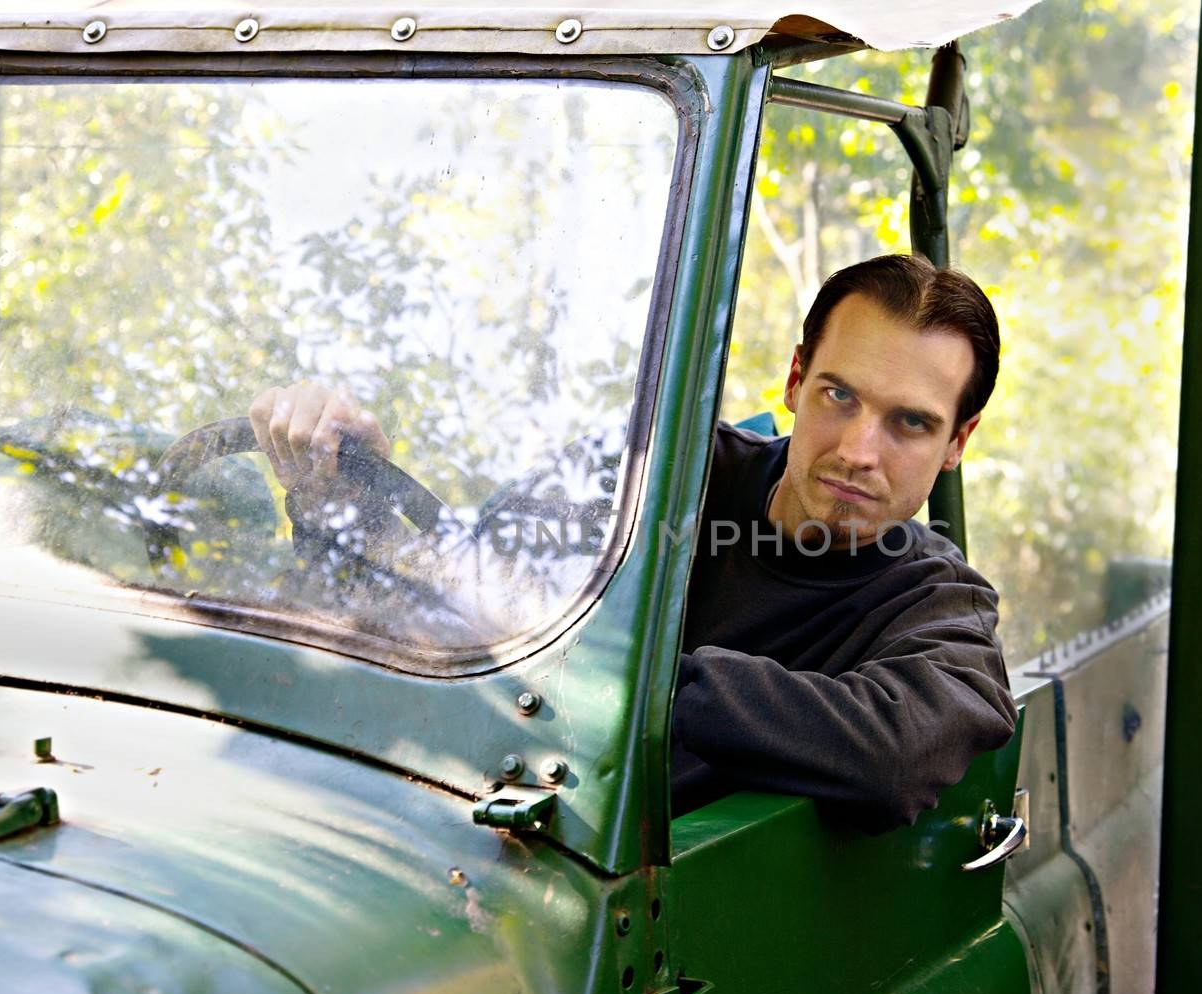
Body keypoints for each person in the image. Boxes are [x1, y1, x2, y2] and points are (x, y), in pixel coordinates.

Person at [249, 254, 1015, 832]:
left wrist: (608, 668)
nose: (857, 448)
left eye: (909, 422)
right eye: (838, 395)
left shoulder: (936, 604)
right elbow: (440, 600)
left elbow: (895, 754)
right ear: (794, 378)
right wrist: (339, 505)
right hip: (457, 828)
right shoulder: (648, 476)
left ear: (957, 441)